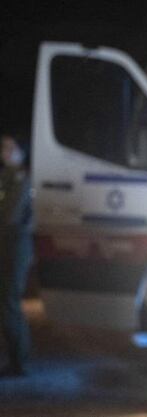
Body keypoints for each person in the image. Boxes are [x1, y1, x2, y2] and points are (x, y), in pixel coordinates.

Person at [0, 132, 34, 377]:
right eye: (3, 147)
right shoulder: (6, 178)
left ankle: (18, 360)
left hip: (15, 244)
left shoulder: (21, 179)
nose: (6, 152)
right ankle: (15, 356)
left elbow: (10, 215)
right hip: (6, 243)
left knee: (10, 300)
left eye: (11, 147)